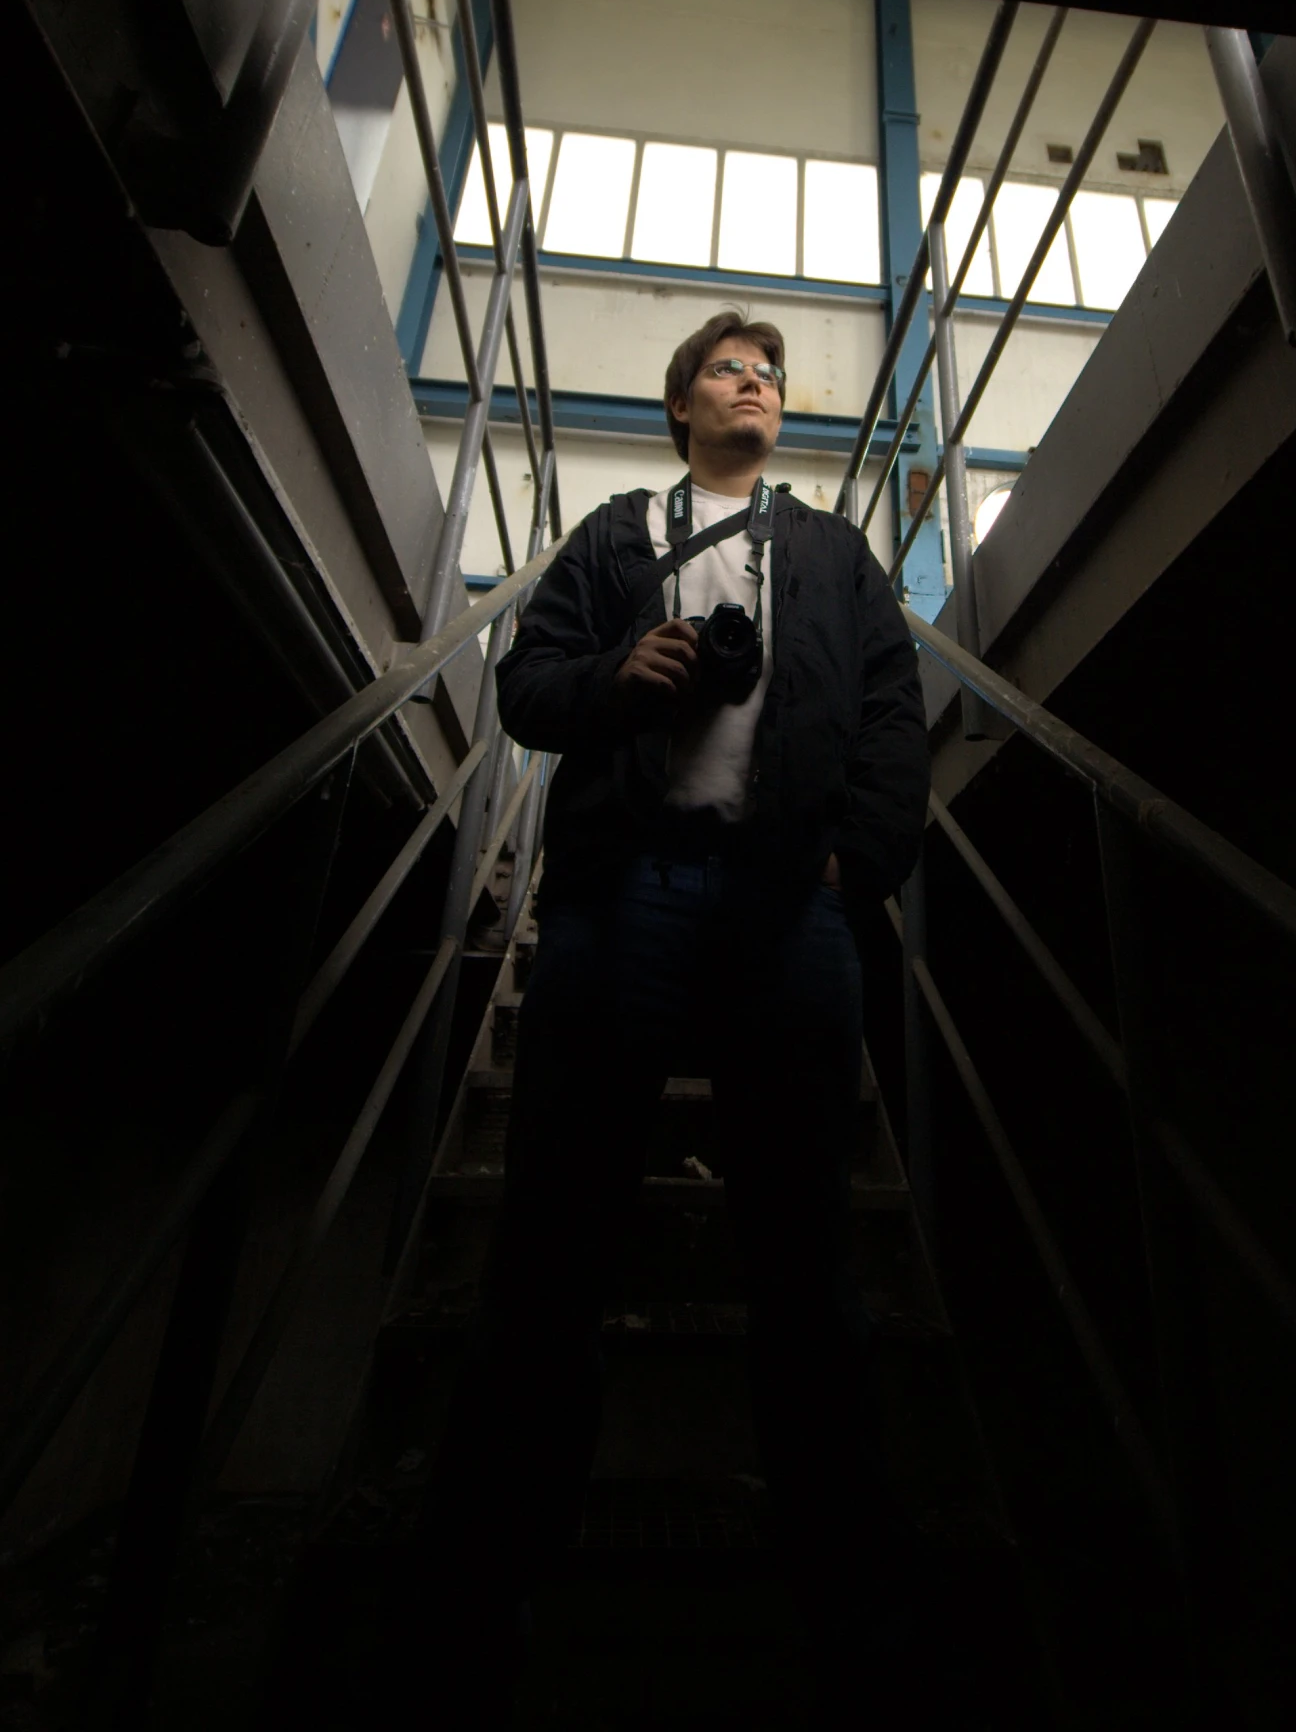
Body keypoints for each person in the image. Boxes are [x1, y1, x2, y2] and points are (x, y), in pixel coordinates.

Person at [413, 309, 931, 1711]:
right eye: (726, 369)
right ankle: (485, 1601)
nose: (756, 384)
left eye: (769, 373)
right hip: (624, 891)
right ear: (677, 403)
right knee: (550, 1252)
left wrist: (856, 858)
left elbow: (892, 708)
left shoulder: (829, 553)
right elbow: (523, 689)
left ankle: (848, 1607)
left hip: (787, 905)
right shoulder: (613, 534)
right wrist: (611, 679)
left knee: (807, 1262)